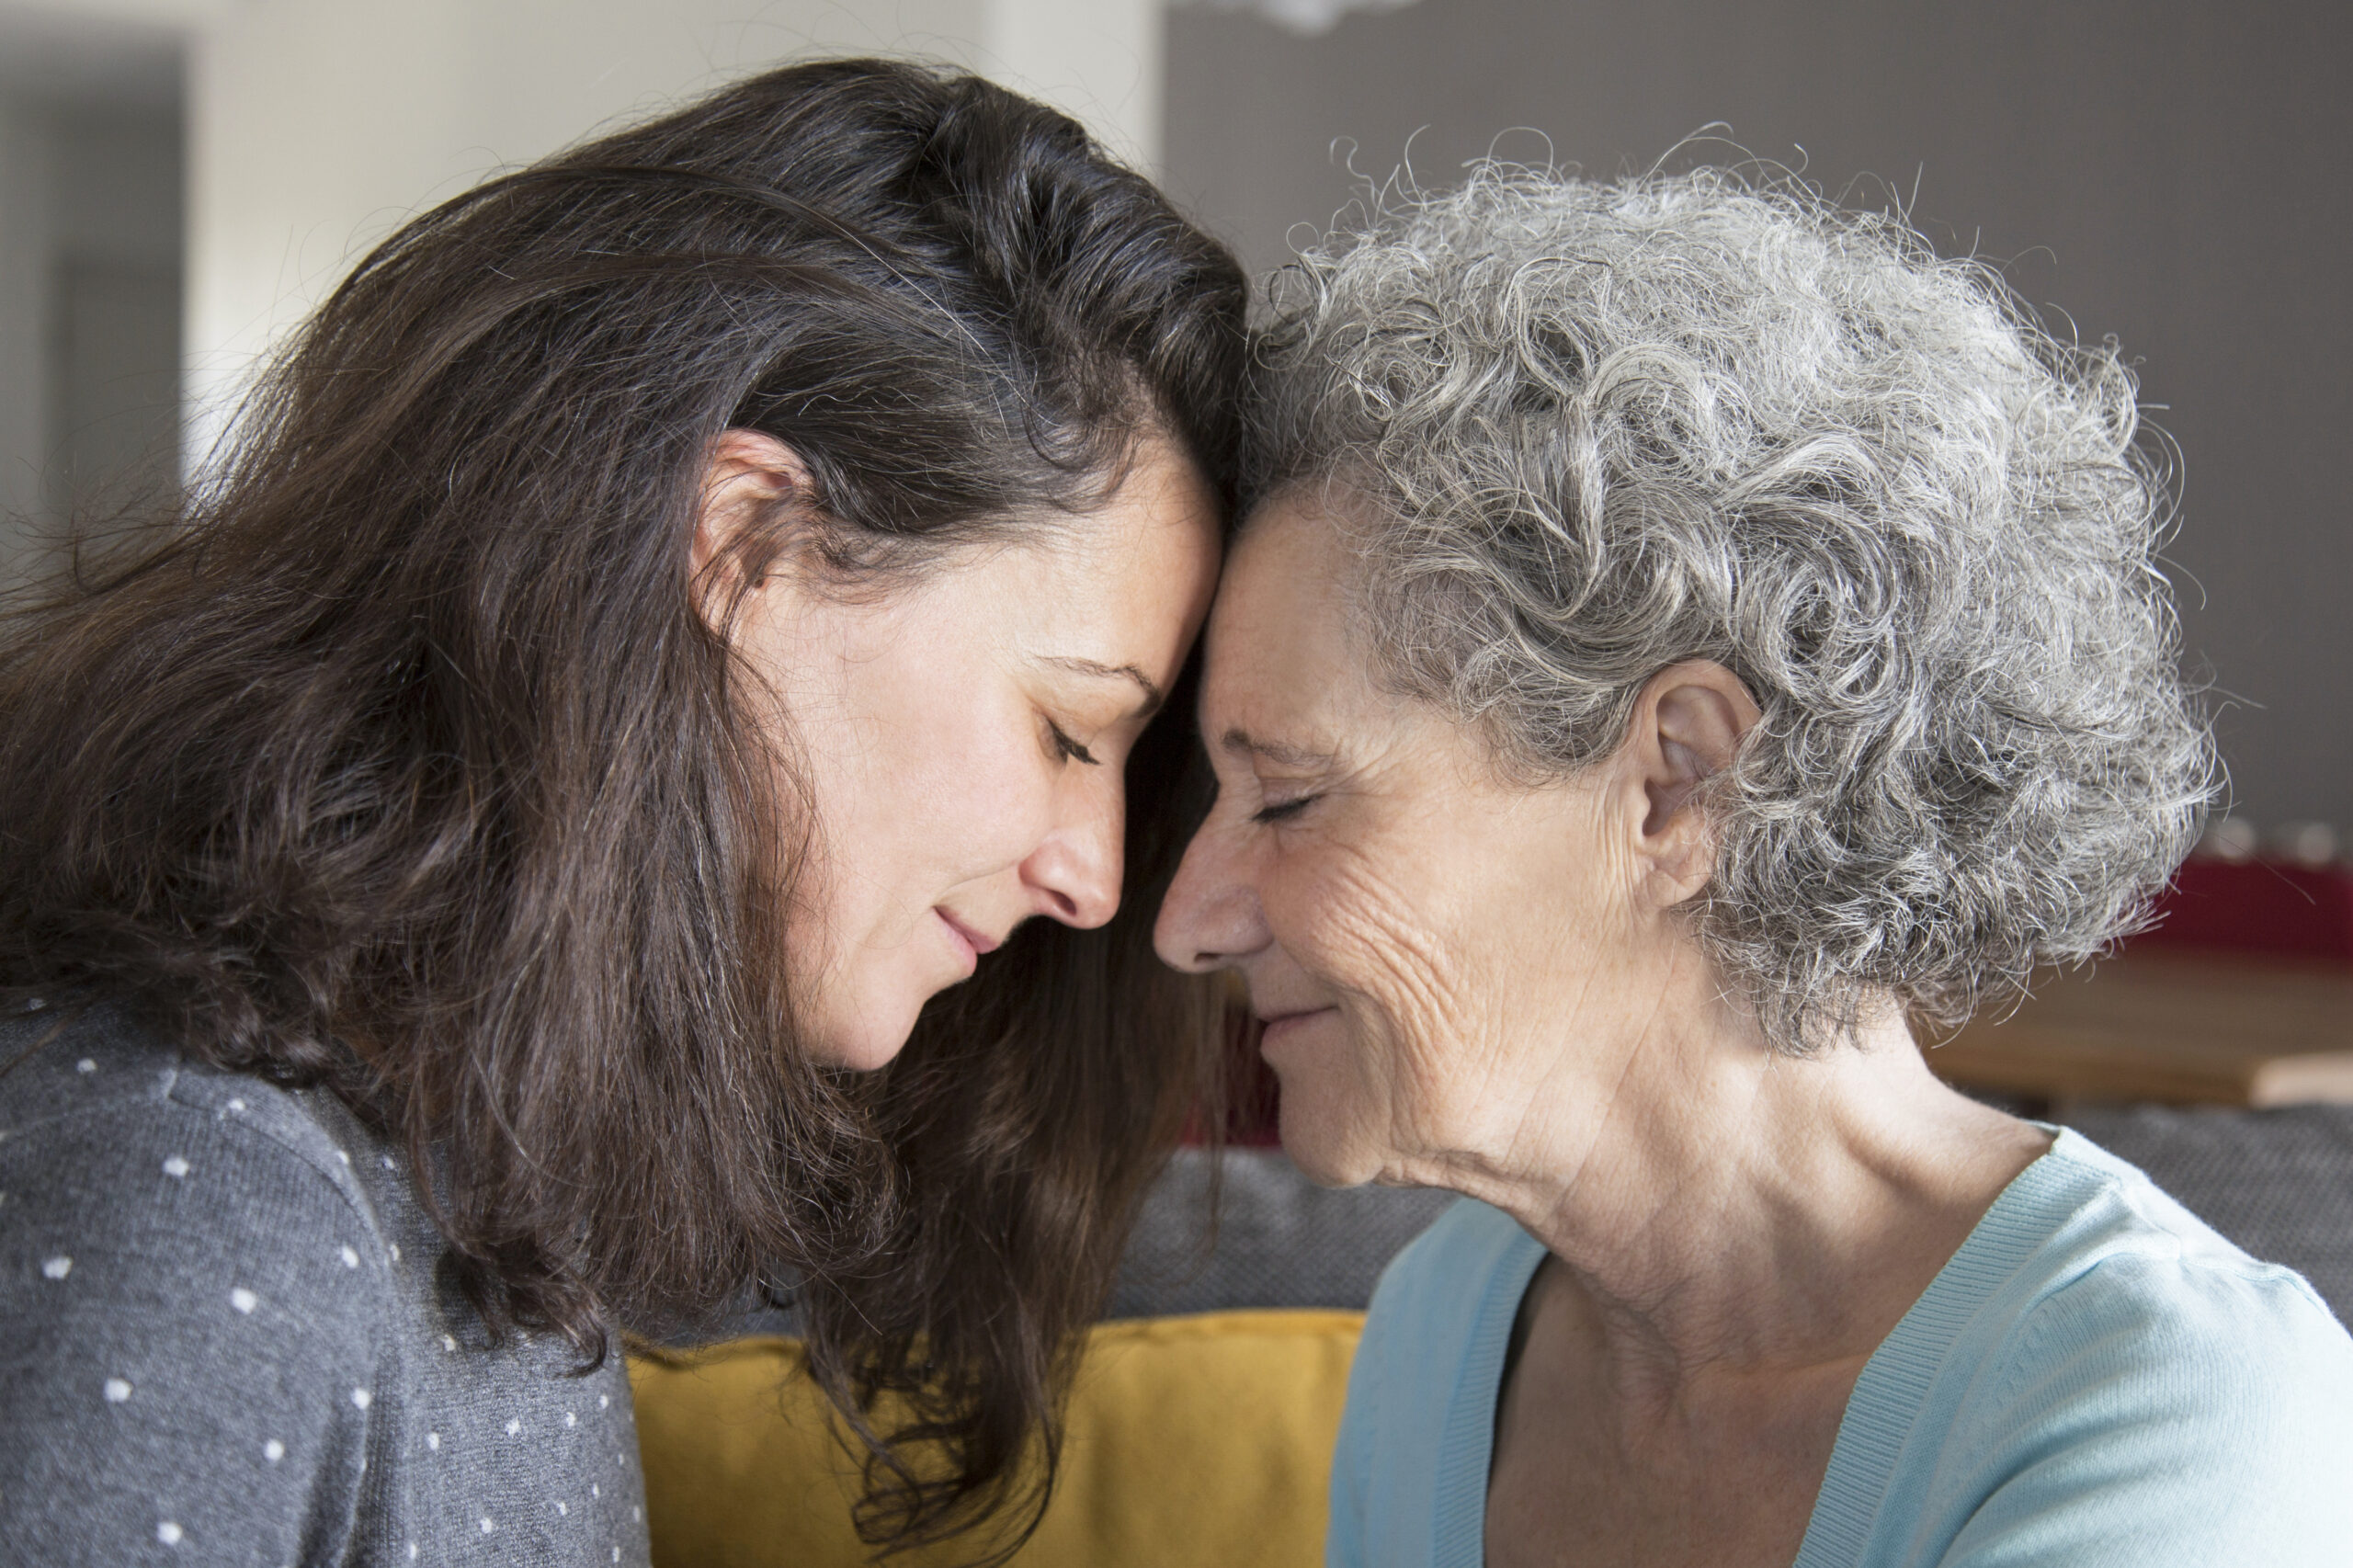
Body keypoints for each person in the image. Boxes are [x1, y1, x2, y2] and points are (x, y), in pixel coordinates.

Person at [0, 58, 1245, 1565]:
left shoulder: (483, 1160)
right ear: (743, 545)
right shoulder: (202, 1200)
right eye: (1066, 727)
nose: (1096, 877)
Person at [1154, 166, 2353, 1568]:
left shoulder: (2171, 1418)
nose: (1189, 917)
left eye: (1290, 795)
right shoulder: (1445, 1331)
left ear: (1680, 781)